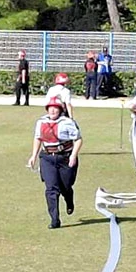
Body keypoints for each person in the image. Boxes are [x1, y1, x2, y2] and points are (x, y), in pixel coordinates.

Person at [26, 98, 82, 230]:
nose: (52, 110)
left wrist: (73, 155)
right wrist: (33, 156)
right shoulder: (41, 122)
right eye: (50, 107)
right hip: (47, 158)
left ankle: (69, 199)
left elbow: (78, 139)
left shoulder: (67, 122)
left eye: (55, 108)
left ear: (60, 110)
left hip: (65, 157)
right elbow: (38, 138)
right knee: (51, 188)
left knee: (65, 186)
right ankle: (55, 219)